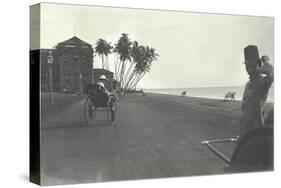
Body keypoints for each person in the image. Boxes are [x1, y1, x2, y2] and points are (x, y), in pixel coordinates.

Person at [239, 45, 273, 138]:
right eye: (247, 65)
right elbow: (244, 110)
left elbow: (272, 72)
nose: (249, 68)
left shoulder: (263, 82)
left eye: (252, 64)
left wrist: (265, 61)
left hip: (256, 133)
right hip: (244, 132)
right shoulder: (247, 84)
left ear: (258, 64)